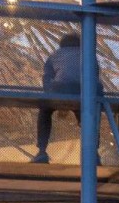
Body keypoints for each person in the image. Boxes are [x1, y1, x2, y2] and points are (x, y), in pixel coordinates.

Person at [33, 33, 83, 163]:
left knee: (45, 110)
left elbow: (47, 78)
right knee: (87, 114)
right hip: (84, 90)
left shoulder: (55, 55)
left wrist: (51, 97)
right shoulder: (88, 54)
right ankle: (94, 153)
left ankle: (42, 150)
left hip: (61, 87)